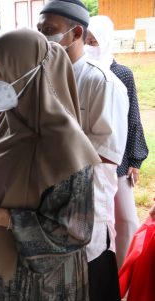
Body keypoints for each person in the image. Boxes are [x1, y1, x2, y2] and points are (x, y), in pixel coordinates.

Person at [0, 28, 100, 300]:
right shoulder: (1, 123)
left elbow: (73, 233)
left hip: (37, 285)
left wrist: (0, 217)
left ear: (28, 73)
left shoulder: (67, 148)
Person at [38, 1, 129, 300]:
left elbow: (106, 152)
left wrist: (47, 148)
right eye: (40, 30)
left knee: (93, 284)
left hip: (88, 213)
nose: (43, 38)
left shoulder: (102, 83)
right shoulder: (43, 79)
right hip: (50, 212)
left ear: (76, 32)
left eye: (49, 31)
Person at [85, 15, 149, 268]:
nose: (91, 45)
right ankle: (100, 271)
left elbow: (133, 117)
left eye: (96, 40)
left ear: (107, 41)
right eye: (87, 40)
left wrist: (135, 159)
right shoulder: (77, 72)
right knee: (97, 218)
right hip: (91, 158)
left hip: (119, 158)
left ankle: (123, 272)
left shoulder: (121, 73)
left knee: (126, 219)